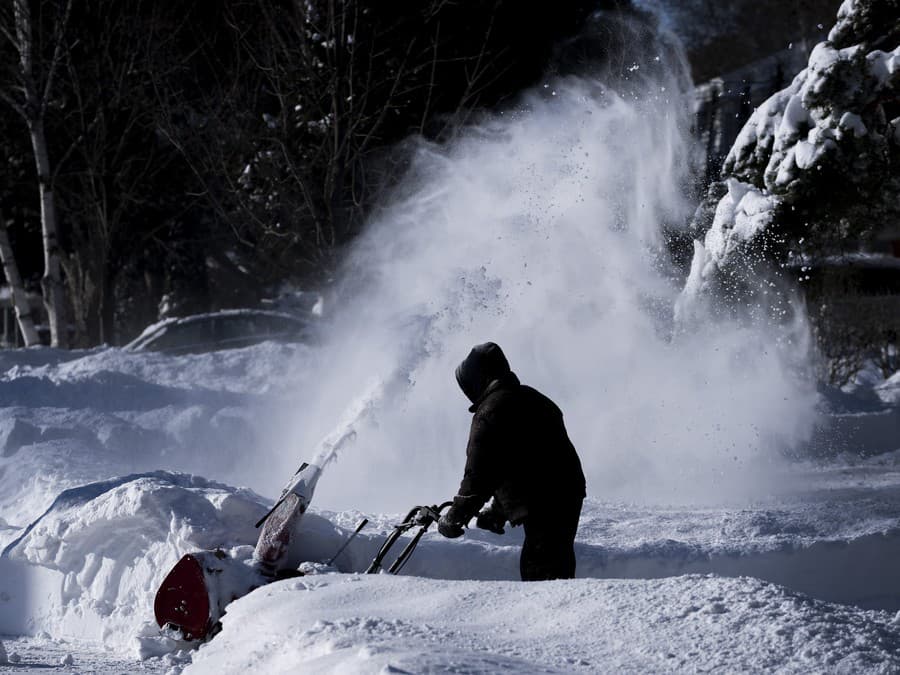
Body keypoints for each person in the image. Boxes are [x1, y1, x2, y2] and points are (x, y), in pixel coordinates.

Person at [437, 342, 586, 581]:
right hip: (567, 493)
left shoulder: (491, 410)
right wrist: (499, 511)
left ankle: (553, 614)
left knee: (541, 571)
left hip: (544, 499)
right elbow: (522, 464)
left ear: (479, 378)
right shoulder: (535, 398)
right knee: (557, 563)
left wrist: (456, 515)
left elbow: (480, 473)